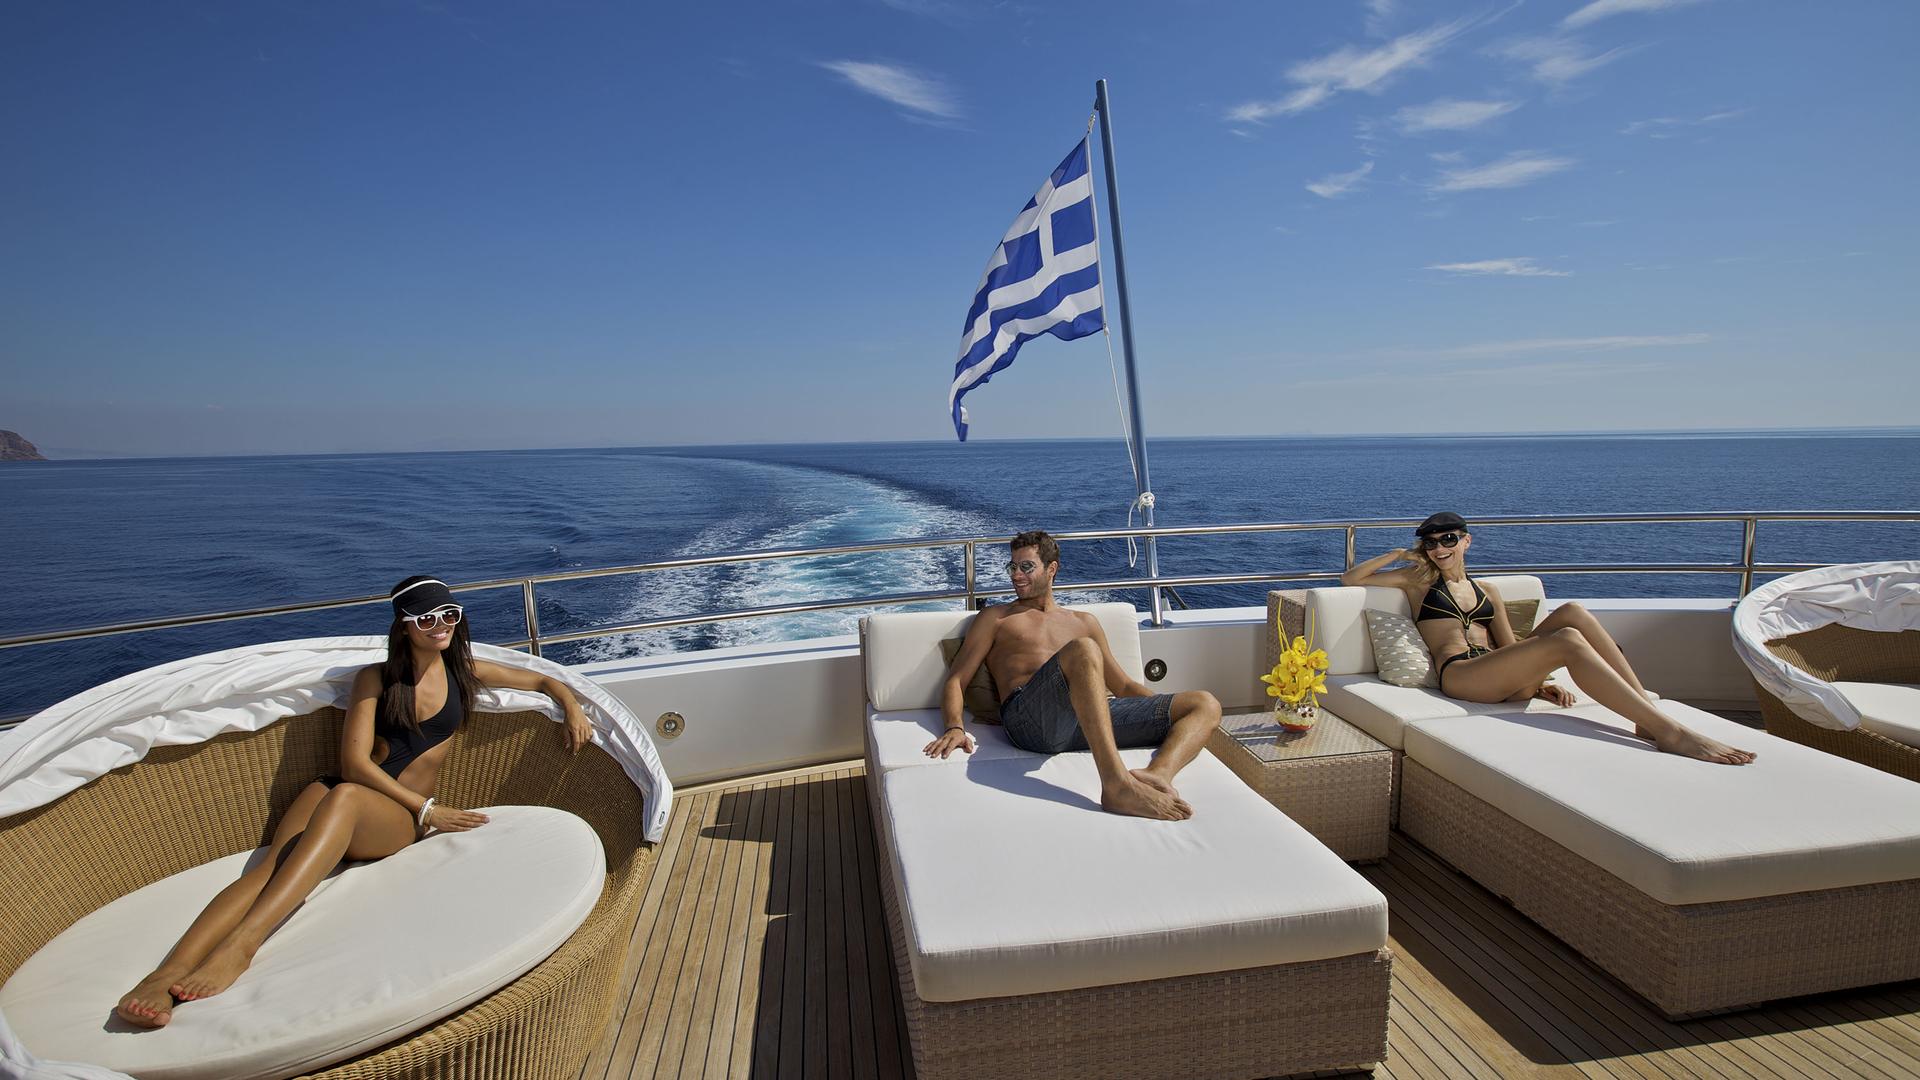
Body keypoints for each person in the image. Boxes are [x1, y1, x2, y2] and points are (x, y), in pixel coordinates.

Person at [114, 575, 596, 1028]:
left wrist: (571, 706)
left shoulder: (461, 669)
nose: (441, 625)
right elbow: (354, 763)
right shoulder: (376, 679)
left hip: (397, 816)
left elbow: (540, 681)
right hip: (356, 793)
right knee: (266, 870)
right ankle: (163, 976)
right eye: (427, 618)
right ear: (404, 626)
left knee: (343, 799)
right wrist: (430, 809)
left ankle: (242, 946)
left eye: (449, 614)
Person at [1342, 512, 1754, 765]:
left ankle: (1644, 712)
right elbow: (1350, 578)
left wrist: (1538, 680)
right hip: (1463, 675)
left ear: (1466, 541)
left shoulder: (1489, 591)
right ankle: (1669, 732)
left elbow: (1509, 647)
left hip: (1503, 678)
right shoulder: (1417, 580)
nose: (1439, 548)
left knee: (1573, 612)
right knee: (1569, 638)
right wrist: (1400, 554)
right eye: (1431, 543)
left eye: (1448, 539)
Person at [924, 530, 1224, 819]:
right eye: (1012, 567)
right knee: (1083, 650)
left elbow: (1123, 686)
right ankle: (1116, 785)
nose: (1016, 575)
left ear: (1051, 569)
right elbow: (957, 680)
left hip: (1087, 720)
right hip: (1029, 721)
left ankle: (1158, 774)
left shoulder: (1084, 622)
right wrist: (954, 727)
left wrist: (1161, 710)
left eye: (1026, 567)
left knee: (1204, 704)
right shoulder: (996, 618)